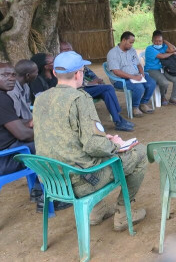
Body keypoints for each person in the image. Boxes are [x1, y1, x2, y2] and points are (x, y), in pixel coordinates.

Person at [33, 51, 148, 230]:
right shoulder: (80, 98)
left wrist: (102, 138)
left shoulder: (41, 99)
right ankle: (124, 214)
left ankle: (97, 210)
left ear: (55, 73)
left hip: (51, 180)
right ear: (79, 73)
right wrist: (115, 144)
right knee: (140, 152)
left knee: (87, 155)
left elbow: (66, 136)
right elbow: (93, 145)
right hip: (80, 181)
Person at [0, 63, 46, 211]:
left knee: (40, 138)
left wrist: (32, 122)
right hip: (3, 161)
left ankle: (38, 188)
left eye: (12, 74)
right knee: (50, 145)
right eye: (4, 75)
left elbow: (13, 122)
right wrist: (47, 133)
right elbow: (23, 135)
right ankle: (48, 196)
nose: (11, 78)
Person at [60, 41, 134, 132]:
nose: (68, 51)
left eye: (69, 49)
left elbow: (89, 73)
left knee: (106, 93)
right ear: (59, 51)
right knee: (108, 88)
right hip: (77, 91)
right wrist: (92, 83)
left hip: (87, 88)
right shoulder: (62, 65)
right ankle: (118, 116)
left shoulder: (76, 60)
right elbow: (73, 83)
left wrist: (97, 80)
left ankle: (118, 121)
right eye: (65, 49)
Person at [107, 31, 157, 117]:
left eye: (132, 43)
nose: (131, 45)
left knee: (151, 83)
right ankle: (135, 107)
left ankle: (143, 103)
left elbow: (138, 64)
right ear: (123, 40)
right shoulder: (113, 53)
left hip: (135, 76)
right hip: (120, 80)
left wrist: (142, 74)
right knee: (139, 87)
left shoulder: (132, 51)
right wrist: (133, 77)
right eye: (130, 42)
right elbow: (116, 71)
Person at [144, 30, 176, 106]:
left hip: (162, 69)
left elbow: (173, 49)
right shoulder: (149, 49)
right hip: (151, 70)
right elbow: (162, 56)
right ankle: (163, 97)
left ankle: (173, 98)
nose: (158, 43)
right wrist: (171, 54)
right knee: (164, 82)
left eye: (160, 41)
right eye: (156, 41)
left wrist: (165, 42)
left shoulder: (163, 46)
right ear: (152, 40)